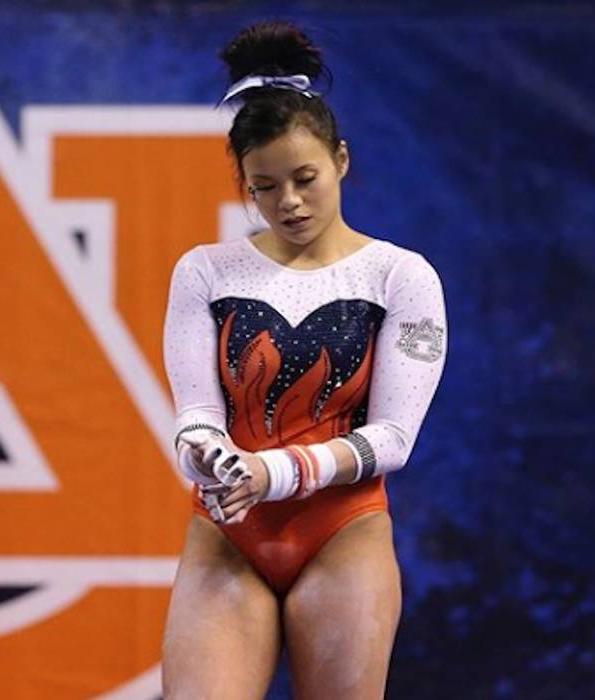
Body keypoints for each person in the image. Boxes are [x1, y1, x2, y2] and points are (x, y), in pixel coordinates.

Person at [161, 20, 448, 699]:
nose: (288, 202)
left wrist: (274, 471)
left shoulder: (400, 277)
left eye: (305, 177)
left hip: (342, 531)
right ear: (246, 185)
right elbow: (197, 414)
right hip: (230, 532)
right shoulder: (205, 271)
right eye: (264, 186)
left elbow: (393, 439)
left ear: (341, 161)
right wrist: (210, 455)